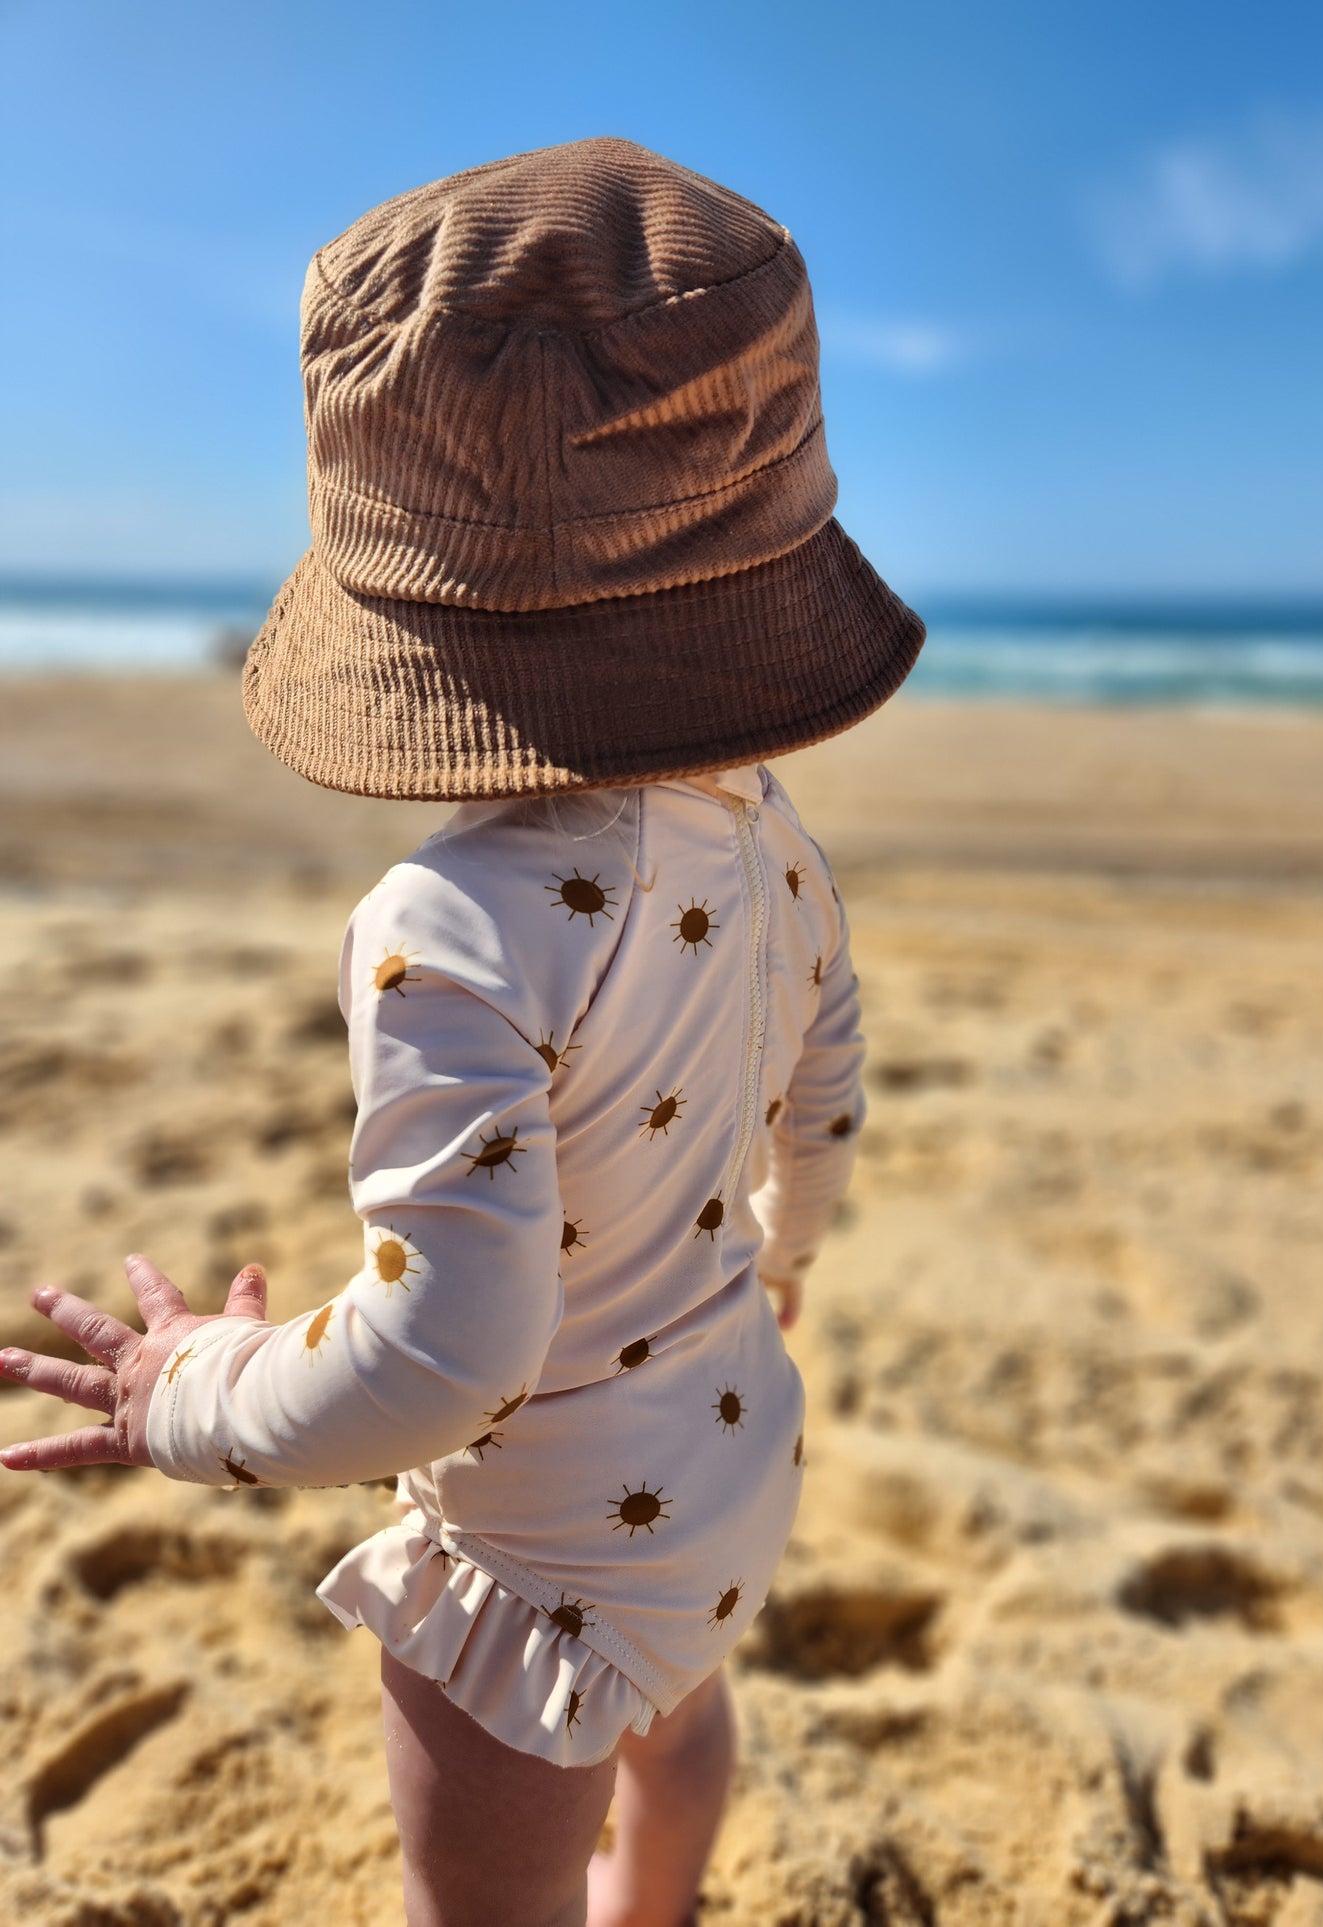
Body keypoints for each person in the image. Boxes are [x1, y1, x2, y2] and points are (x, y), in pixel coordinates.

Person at [0, 138, 924, 1927]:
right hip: (728, 1460)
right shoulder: (765, 826)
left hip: (547, 1542)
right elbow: (824, 1083)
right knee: (672, 1720)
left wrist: (189, 1398)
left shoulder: (449, 928)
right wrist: (784, 1255)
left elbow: (452, 1361)